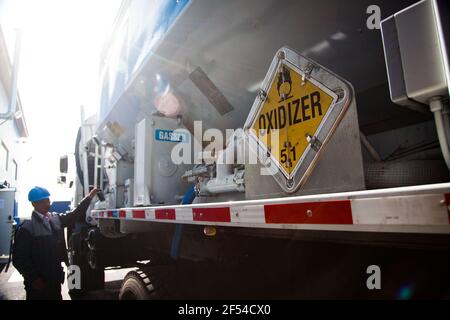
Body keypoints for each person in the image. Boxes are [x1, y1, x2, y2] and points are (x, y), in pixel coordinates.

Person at [12, 186, 99, 300]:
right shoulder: (27, 227)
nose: (47, 204)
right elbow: (19, 258)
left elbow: (75, 215)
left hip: (54, 278)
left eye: (48, 200)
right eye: (42, 201)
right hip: (38, 283)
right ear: (34, 204)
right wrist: (33, 278)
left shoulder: (55, 218)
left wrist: (89, 197)